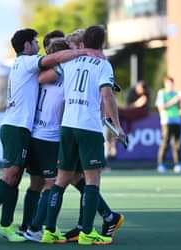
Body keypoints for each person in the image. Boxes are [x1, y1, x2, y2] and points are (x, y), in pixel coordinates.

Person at [0, 28, 104, 243]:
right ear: (26, 46)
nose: (38, 45)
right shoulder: (27, 62)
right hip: (17, 127)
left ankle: (6, 225)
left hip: (24, 128)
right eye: (34, 42)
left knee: (18, 179)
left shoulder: (29, 67)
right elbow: (56, 59)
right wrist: (84, 52)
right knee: (13, 176)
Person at [38, 25, 126, 245]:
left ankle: (49, 231)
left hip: (67, 126)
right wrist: (118, 126)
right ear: (103, 44)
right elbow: (107, 96)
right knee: (92, 180)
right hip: (89, 127)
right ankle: (87, 232)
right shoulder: (104, 65)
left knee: (61, 180)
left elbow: (44, 77)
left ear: (84, 42)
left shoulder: (70, 62)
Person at [17, 29, 65, 236]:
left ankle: (28, 225)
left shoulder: (40, 71)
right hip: (46, 136)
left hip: (38, 134)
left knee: (37, 183)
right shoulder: (59, 72)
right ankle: (35, 227)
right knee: (50, 183)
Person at [106, 80, 150, 159]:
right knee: (120, 113)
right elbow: (130, 105)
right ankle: (112, 147)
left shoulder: (145, 95)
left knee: (121, 112)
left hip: (133, 113)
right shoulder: (131, 93)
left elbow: (137, 106)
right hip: (121, 116)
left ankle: (116, 142)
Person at [155, 76, 181, 173]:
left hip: (177, 120)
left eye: (171, 83)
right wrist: (174, 100)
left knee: (177, 144)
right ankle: (161, 164)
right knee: (165, 142)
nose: (170, 85)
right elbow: (161, 107)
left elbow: (179, 107)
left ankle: (178, 164)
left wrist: (179, 100)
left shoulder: (176, 93)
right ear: (165, 84)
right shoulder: (162, 93)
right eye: (168, 83)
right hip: (166, 121)